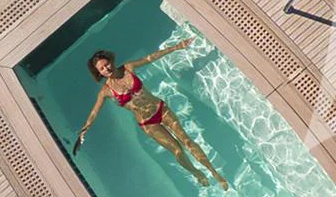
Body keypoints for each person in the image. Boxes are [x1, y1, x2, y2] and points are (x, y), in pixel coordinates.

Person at [73, 40, 228, 186]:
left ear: (111, 61)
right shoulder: (106, 91)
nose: (107, 69)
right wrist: (84, 130)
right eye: (102, 68)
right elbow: (94, 112)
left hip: (161, 109)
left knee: (187, 141)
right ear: (99, 73)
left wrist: (177, 46)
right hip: (148, 123)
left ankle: (214, 172)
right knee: (177, 151)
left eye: (107, 64)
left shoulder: (128, 68)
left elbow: (151, 57)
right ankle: (196, 173)